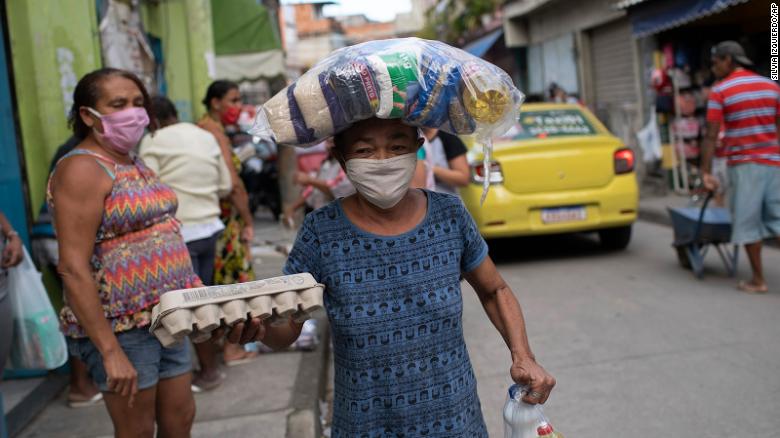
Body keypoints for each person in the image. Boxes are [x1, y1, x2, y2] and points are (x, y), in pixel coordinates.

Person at [228, 117, 556, 436]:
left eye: (397, 146)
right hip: (364, 424)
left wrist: (524, 356)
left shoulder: (449, 216)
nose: (383, 161)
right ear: (340, 156)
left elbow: (494, 290)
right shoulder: (320, 232)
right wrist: (260, 330)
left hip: (455, 421)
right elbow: (287, 328)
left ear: (417, 148)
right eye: (365, 150)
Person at [48, 68, 198, 436]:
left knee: (180, 420)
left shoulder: (131, 160)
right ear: (88, 115)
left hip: (167, 316)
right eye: (118, 104)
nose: (132, 112)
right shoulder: (82, 169)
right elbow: (72, 267)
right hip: (123, 328)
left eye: (137, 103)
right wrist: (110, 350)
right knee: (137, 431)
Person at [140, 96, 234, 390]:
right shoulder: (204, 136)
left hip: (179, 235)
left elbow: (146, 190)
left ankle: (208, 372)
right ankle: (211, 364)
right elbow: (225, 186)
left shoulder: (152, 141)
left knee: (189, 308)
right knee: (202, 300)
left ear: (150, 120)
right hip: (210, 229)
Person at [701, 41, 780, 294]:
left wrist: (705, 172)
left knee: (747, 224)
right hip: (774, 163)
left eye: (715, 62)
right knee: (778, 221)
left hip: (744, 165)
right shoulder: (771, 86)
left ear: (728, 60)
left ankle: (758, 280)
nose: (713, 68)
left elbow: (711, 135)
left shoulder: (720, 90)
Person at [32, 136, 103, 408]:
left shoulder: (73, 153)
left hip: (47, 237)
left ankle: (83, 383)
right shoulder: (83, 160)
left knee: (80, 305)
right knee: (81, 307)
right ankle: (80, 386)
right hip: (56, 241)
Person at [197, 81, 258, 370]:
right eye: (232, 100)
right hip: (225, 219)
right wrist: (248, 220)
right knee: (234, 284)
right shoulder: (212, 132)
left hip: (216, 218)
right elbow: (233, 184)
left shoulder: (210, 129)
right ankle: (232, 349)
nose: (236, 106)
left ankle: (228, 345)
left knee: (224, 282)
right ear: (215, 101)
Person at [283, 138, 355, 224]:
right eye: (327, 142)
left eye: (332, 142)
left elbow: (337, 189)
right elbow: (311, 189)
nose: (329, 146)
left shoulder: (347, 164)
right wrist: (293, 208)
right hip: (323, 218)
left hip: (340, 219)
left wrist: (310, 180)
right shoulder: (326, 163)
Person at [420, 128, 470, 195]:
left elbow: (464, 179)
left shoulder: (449, 138)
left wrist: (430, 168)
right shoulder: (411, 135)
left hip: (446, 200)